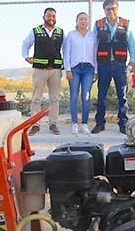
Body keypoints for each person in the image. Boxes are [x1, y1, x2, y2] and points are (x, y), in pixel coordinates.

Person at [91, 0, 135, 134]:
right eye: (108, 9)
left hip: (120, 65)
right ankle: (100, 123)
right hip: (103, 65)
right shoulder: (98, 24)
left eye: (114, 8)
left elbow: (131, 44)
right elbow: (94, 46)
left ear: (118, 9)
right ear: (104, 10)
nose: (111, 11)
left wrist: (133, 61)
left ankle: (123, 123)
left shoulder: (125, 24)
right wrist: (95, 67)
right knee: (101, 96)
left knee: (122, 95)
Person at [21, 7, 64, 135]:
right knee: (36, 99)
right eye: (49, 16)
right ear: (44, 17)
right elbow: (25, 44)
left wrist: (66, 66)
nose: (51, 18)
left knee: (54, 98)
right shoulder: (36, 31)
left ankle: (53, 124)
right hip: (39, 69)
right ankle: (35, 125)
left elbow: (66, 50)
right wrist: (25, 56)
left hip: (55, 70)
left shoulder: (61, 32)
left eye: (53, 16)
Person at [62, 12, 98, 135]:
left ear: (88, 22)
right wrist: (68, 69)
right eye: (81, 19)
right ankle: (74, 123)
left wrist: (96, 71)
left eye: (85, 19)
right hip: (75, 68)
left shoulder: (93, 36)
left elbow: (95, 54)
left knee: (86, 96)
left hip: (89, 68)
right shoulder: (71, 35)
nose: (83, 21)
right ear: (77, 21)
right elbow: (66, 53)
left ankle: (84, 123)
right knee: (74, 96)